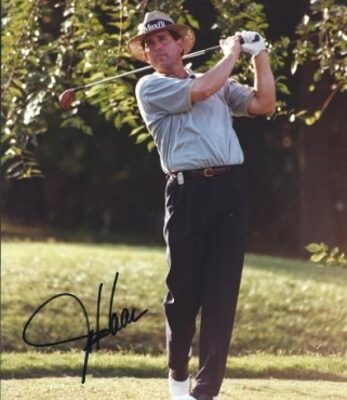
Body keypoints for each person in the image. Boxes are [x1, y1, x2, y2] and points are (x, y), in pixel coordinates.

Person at [128, 10, 275, 400]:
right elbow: (203, 90)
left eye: (163, 39)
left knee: (221, 293)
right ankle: (178, 375)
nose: (157, 47)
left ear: (180, 44)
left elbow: (264, 104)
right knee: (183, 294)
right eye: (150, 44)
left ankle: (204, 392)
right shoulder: (149, 88)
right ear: (146, 54)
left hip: (230, 191)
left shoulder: (218, 82)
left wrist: (260, 54)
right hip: (186, 193)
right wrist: (232, 54)